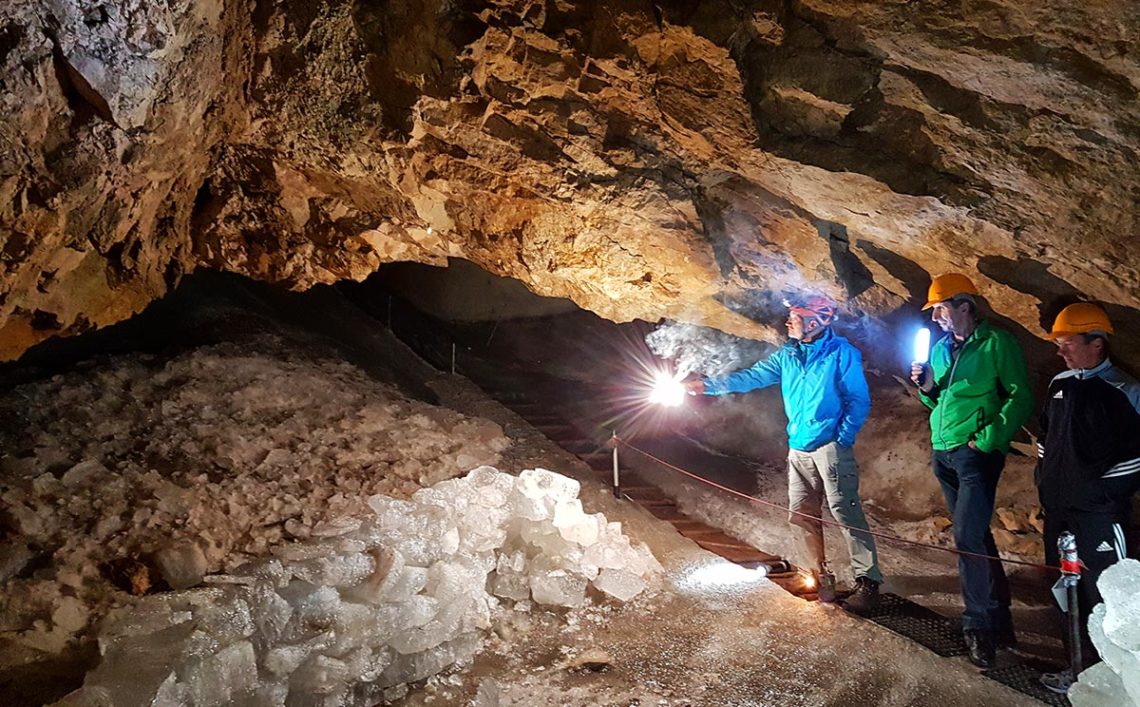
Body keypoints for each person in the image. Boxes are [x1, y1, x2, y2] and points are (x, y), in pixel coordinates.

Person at [685, 295, 882, 614]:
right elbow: (750, 377)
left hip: (830, 444)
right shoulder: (788, 354)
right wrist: (705, 386)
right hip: (799, 446)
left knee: (845, 510)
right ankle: (818, 577)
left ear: (816, 322)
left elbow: (858, 400)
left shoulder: (840, 353)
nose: (789, 321)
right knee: (801, 514)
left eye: (796, 316)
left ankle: (868, 582)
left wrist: (841, 438)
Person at [909, 273, 1034, 668]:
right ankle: (1000, 621)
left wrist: (988, 438)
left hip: (975, 455)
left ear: (965, 306)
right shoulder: (943, 350)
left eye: (941, 309)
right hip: (944, 452)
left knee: (966, 538)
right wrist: (927, 389)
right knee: (977, 536)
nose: (936, 319)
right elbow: (940, 402)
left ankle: (977, 626)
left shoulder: (997, 343)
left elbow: (1020, 395)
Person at [1034, 303, 1140, 694]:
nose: (1061, 351)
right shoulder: (1059, 384)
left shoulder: (1124, 391)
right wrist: (1045, 483)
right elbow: (1046, 440)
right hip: (1059, 512)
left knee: (1105, 595)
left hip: (1099, 515)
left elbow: (1136, 456)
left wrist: (1101, 494)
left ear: (1097, 343)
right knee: (1064, 591)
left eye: (1068, 343)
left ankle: (1120, 682)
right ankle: (1078, 670)